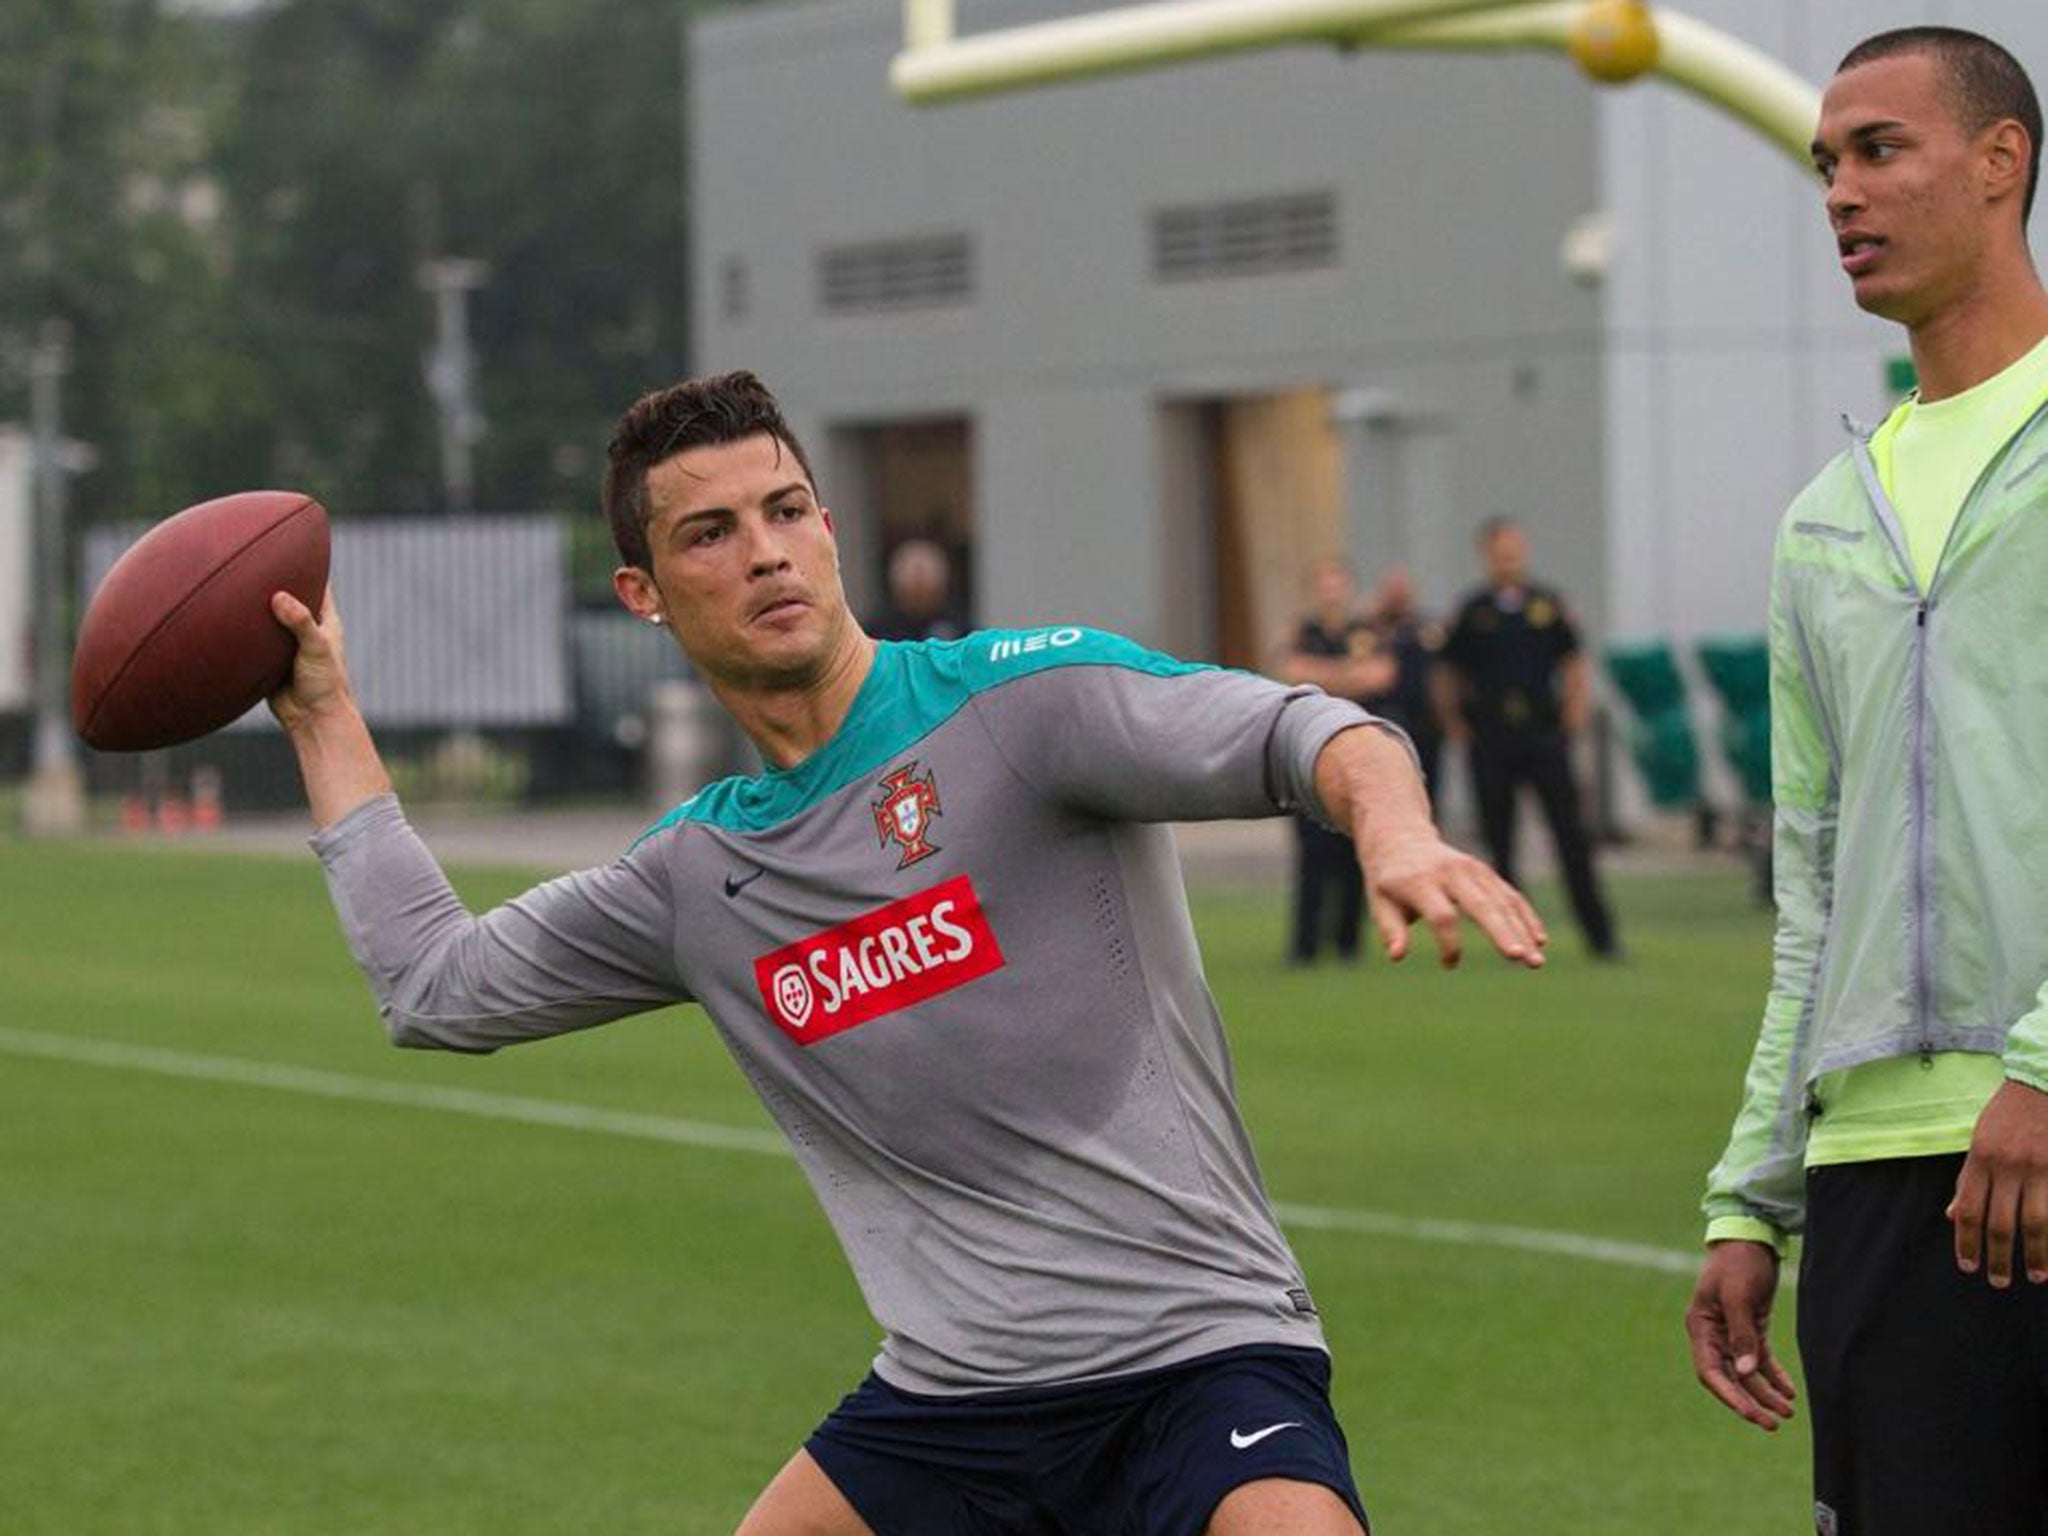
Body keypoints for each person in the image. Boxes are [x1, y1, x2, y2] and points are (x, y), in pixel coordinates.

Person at [267, 371, 1547, 1536]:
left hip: (1199, 1360)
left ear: (830, 528)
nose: (765, 552)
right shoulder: (694, 879)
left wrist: (1393, 835)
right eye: (710, 533)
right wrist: (324, 712)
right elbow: (434, 987)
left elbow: (1307, 730)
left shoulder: (1022, 706)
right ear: (643, 595)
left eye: (786, 510)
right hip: (951, 1413)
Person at [1684, 28, 2048, 1535]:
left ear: (1999, 163)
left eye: (1880, 150)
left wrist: (2042, 1066)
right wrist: (1750, 1193)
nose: (1841, 189)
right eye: (1827, 162)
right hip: (1875, 1185)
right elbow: (1813, 890)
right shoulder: (1822, 522)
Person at [1436, 518, 1618, 959]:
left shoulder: (1548, 604)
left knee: (1571, 835)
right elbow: (1446, 671)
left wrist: (1573, 714)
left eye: (1514, 548)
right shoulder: (1472, 610)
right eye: (1500, 550)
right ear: (1486, 555)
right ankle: (1516, 938)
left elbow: (1574, 662)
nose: (1508, 557)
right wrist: (1454, 721)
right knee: (1499, 840)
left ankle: (1601, 936)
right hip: (1491, 738)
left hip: (1542, 734)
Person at [1273, 556, 1394, 964]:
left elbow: (1381, 674)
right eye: (1324, 584)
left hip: (1358, 751)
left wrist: (1326, 676)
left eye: (1337, 583)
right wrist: (1347, 674)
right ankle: (1304, 946)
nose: (1331, 591)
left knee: (1355, 849)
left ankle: (1348, 944)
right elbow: (1291, 671)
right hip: (1308, 752)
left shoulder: (1368, 631)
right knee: (1312, 851)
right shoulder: (1304, 633)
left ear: (1348, 588)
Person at [1361, 564, 1445, 802]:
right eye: (1391, 592)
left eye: (1402, 592)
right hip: (1380, 722)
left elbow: (1443, 671)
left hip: (1423, 724)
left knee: (1425, 793)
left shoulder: (1426, 629)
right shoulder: (1366, 630)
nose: (1397, 598)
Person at [867, 535, 965, 641]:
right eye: (910, 573)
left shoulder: (960, 630)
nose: (919, 581)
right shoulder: (875, 633)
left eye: (927, 572)